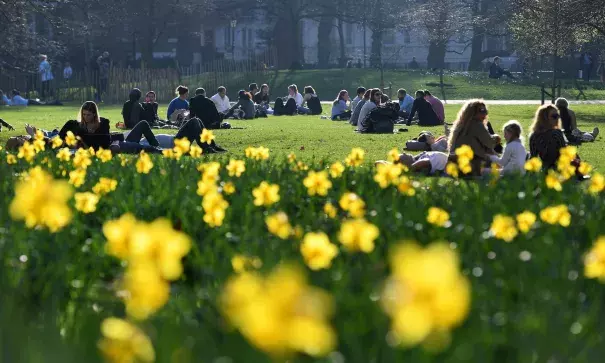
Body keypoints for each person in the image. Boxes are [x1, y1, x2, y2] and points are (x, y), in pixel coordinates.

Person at [118, 118, 226, 154]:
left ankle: (212, 145)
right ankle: (206, 147)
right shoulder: (140, 145)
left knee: (196, 120)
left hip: (175, 139)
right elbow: (157, 149)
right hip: (176, 143)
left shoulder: (140, 141)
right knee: (193, 121)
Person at [448, 99, 500, 169]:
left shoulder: (459, 125)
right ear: (472, 112)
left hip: (455, 162)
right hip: (472, 163)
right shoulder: (477, 125)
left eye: (485, 111)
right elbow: (489, 143)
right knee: (497, 160)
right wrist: (496, 138)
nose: (485, 114)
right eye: (481, 111)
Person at [529, 104, 568, 169]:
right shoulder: (556, 133)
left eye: (558, 116)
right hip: (559, 170)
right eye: (554, 116)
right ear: (544, 118)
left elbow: (533, 158)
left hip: (545, 170)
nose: (557, 118)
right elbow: (564, 155)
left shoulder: (534, 135)